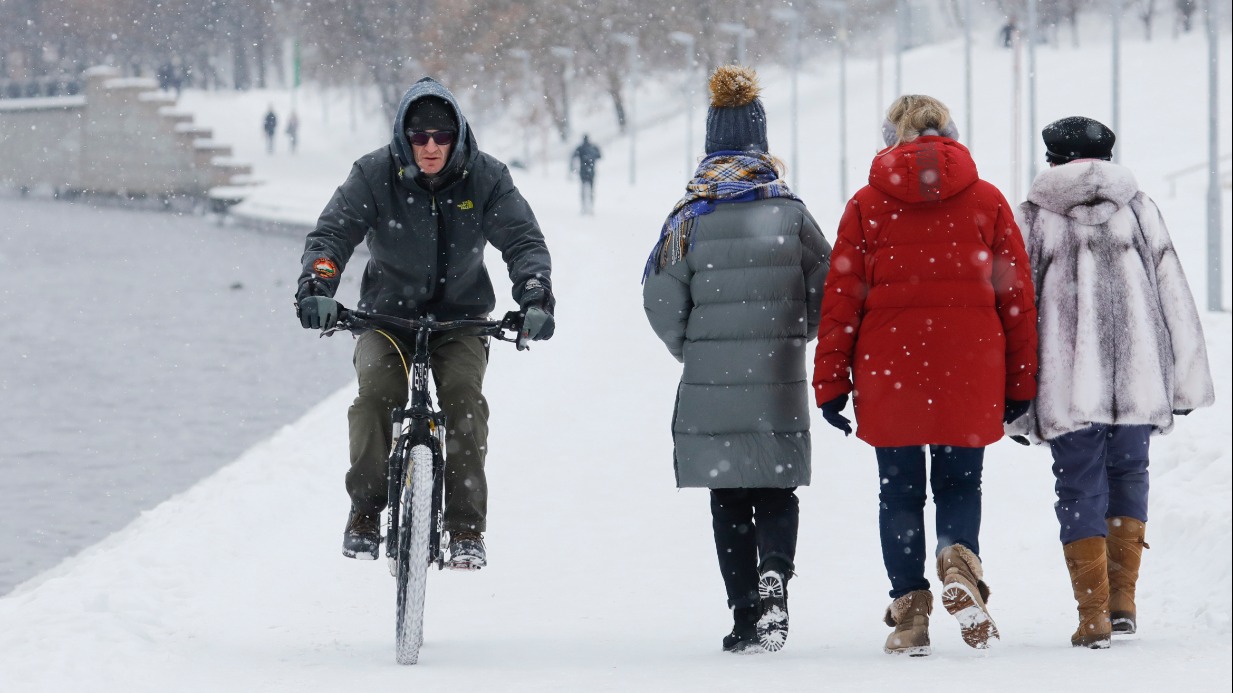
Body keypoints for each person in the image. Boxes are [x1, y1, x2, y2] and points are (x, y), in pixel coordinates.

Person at [294, 76, 555, 570]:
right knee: (375, 396)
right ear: (403, 137)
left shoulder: (487, 178)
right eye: (419, 137)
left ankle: (465, 529)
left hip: (461, 321)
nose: (431, 147)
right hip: (385, 318)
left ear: (458, 136)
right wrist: (317, 288)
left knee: (464, 401)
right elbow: (331, 236)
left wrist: (536, 296)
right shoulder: (373, 175)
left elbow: (524, 243)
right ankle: (365, 514)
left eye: (441, 137)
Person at [812, 94, 1038, 656]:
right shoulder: (986, 200)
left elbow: (841, 298)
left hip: (891, 368)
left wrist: (832, 380)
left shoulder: (866, 204)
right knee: (962, 482)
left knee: (899, 491)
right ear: (952, 132)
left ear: (890, 137)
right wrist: (1019, 381)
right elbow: (1017, 299)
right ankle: (958, 561)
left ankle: (910, 613)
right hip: (972, 363)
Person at [643, 65, 832, 655]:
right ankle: (776, 575)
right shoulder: (791, 210)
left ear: (709, 144)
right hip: (776, 373)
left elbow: (657, 293)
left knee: (727, 496)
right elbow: (830, 280)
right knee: (776, 489)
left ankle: (745, 614)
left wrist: (690, 344)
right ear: (763, 143)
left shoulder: (688, 215)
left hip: (711, 377)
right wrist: (800, 331)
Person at [1010, 116, 1214, 649]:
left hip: (1065, 381)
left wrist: (1011, 394)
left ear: (1051, 157)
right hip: (1141, 373)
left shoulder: (1032, 216)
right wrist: (1184, 379)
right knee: (1130, 475)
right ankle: (1123, 602)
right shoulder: (1139, 207)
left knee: (1077, 484)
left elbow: (1015, 306)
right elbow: (1172, 290)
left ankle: (1093, 614)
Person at [570, 134, 602, 214]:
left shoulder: (580, 148)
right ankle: (591, 206)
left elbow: (574, 156)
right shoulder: (593, 147)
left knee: (583, 189)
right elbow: (599, 156)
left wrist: (573, 168)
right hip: (591, 171)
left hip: (583, 172)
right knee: (591, 189)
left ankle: (584, 206)